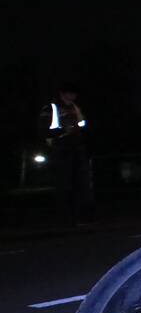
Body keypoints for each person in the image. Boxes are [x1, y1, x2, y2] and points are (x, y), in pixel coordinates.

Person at [39, 83, 93, 224]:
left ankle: (78, 215)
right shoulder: (52, 108)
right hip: (61, 149)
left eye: (74, 94)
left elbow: (82, 124)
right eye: (70, 93)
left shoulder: (75, 107)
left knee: (80, 183)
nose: (72, 96)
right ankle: (65, 216)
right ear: (63, 94)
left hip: (76, 148)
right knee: (64, 183)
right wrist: (63, 132)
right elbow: (45, 128)